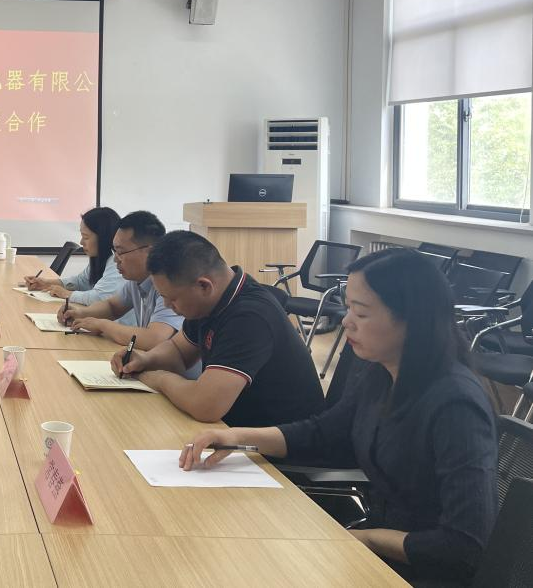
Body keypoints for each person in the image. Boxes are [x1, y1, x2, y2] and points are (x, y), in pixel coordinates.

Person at [181, 248, 497, 586]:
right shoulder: (381, 372)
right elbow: (324, 433)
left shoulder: (456, 405)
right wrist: (238, 437)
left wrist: (367, 539)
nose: (346, 321)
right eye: (347, 308)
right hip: (377, 549)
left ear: (411, 319)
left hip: (419, 571)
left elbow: (462, 547)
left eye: (360, 312)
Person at [112, 230, 324, 426]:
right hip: (234, 430)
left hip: (276, 445)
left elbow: (205, 405)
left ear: (204, 285)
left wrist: (159, 379)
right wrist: (145, 360)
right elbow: (178, 352)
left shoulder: (249, 316)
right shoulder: (211, 300)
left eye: (172, 298)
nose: (168, 306)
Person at [56, 211, 187, 350]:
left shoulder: (170, 284)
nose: (115, 259)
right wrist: (81, 313)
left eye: (121, 252)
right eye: (115, 251)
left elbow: (155, 339)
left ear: (149, 252)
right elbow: (112, 307)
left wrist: (103, 325)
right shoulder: (136, 280)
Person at [23, 207, 124, 306]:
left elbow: (99, 298)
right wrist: (46, 283)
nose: (81, 242)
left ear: (103, 238)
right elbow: (81, 282)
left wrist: (67, 294)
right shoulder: (100, 257)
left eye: (86, 237)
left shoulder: (118, 262)